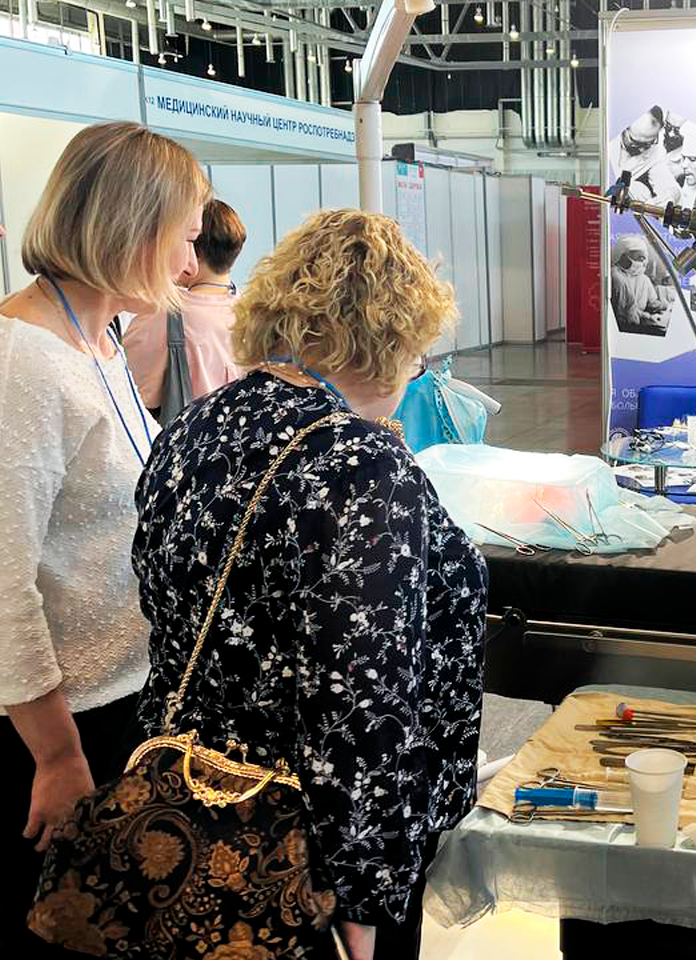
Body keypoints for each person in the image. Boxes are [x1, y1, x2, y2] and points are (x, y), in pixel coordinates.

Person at [131, 208, 488, 960]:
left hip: (185, 815)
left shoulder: (193, 429)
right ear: (388, 343)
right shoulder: (360, 464)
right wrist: (362, 896)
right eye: (417, 357)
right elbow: (359, 699)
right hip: (304, 857)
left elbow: (163, 605)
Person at [0, 122, 208, 958]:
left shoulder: (99, 341)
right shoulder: (26, 362)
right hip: (56, 727)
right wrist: (56, 754)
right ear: (133, 229)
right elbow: (3, 581)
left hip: (121, 701)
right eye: (185, 239)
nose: (190, 265)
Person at [123, 198, 246, 421]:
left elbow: (131, 393)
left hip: (189, 437)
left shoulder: (163, 314)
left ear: (194, 250)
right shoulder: (254, 312)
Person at [607, 106, 682, 204]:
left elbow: (667, 183)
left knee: (638, 189)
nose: (641, 149)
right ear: (625, 128)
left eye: (647, 144)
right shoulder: (609, 138)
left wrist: (669, 195)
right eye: (635, 142)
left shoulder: (656, 151)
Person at [611, 235, 668, 335]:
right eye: (637, 257)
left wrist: (662, 305)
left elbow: (652, 303)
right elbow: (625, 316)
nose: (641, 261)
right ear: (622, 256)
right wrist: (647, 317)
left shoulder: (644, 279)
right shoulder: (616, 277)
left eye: (642, 258)